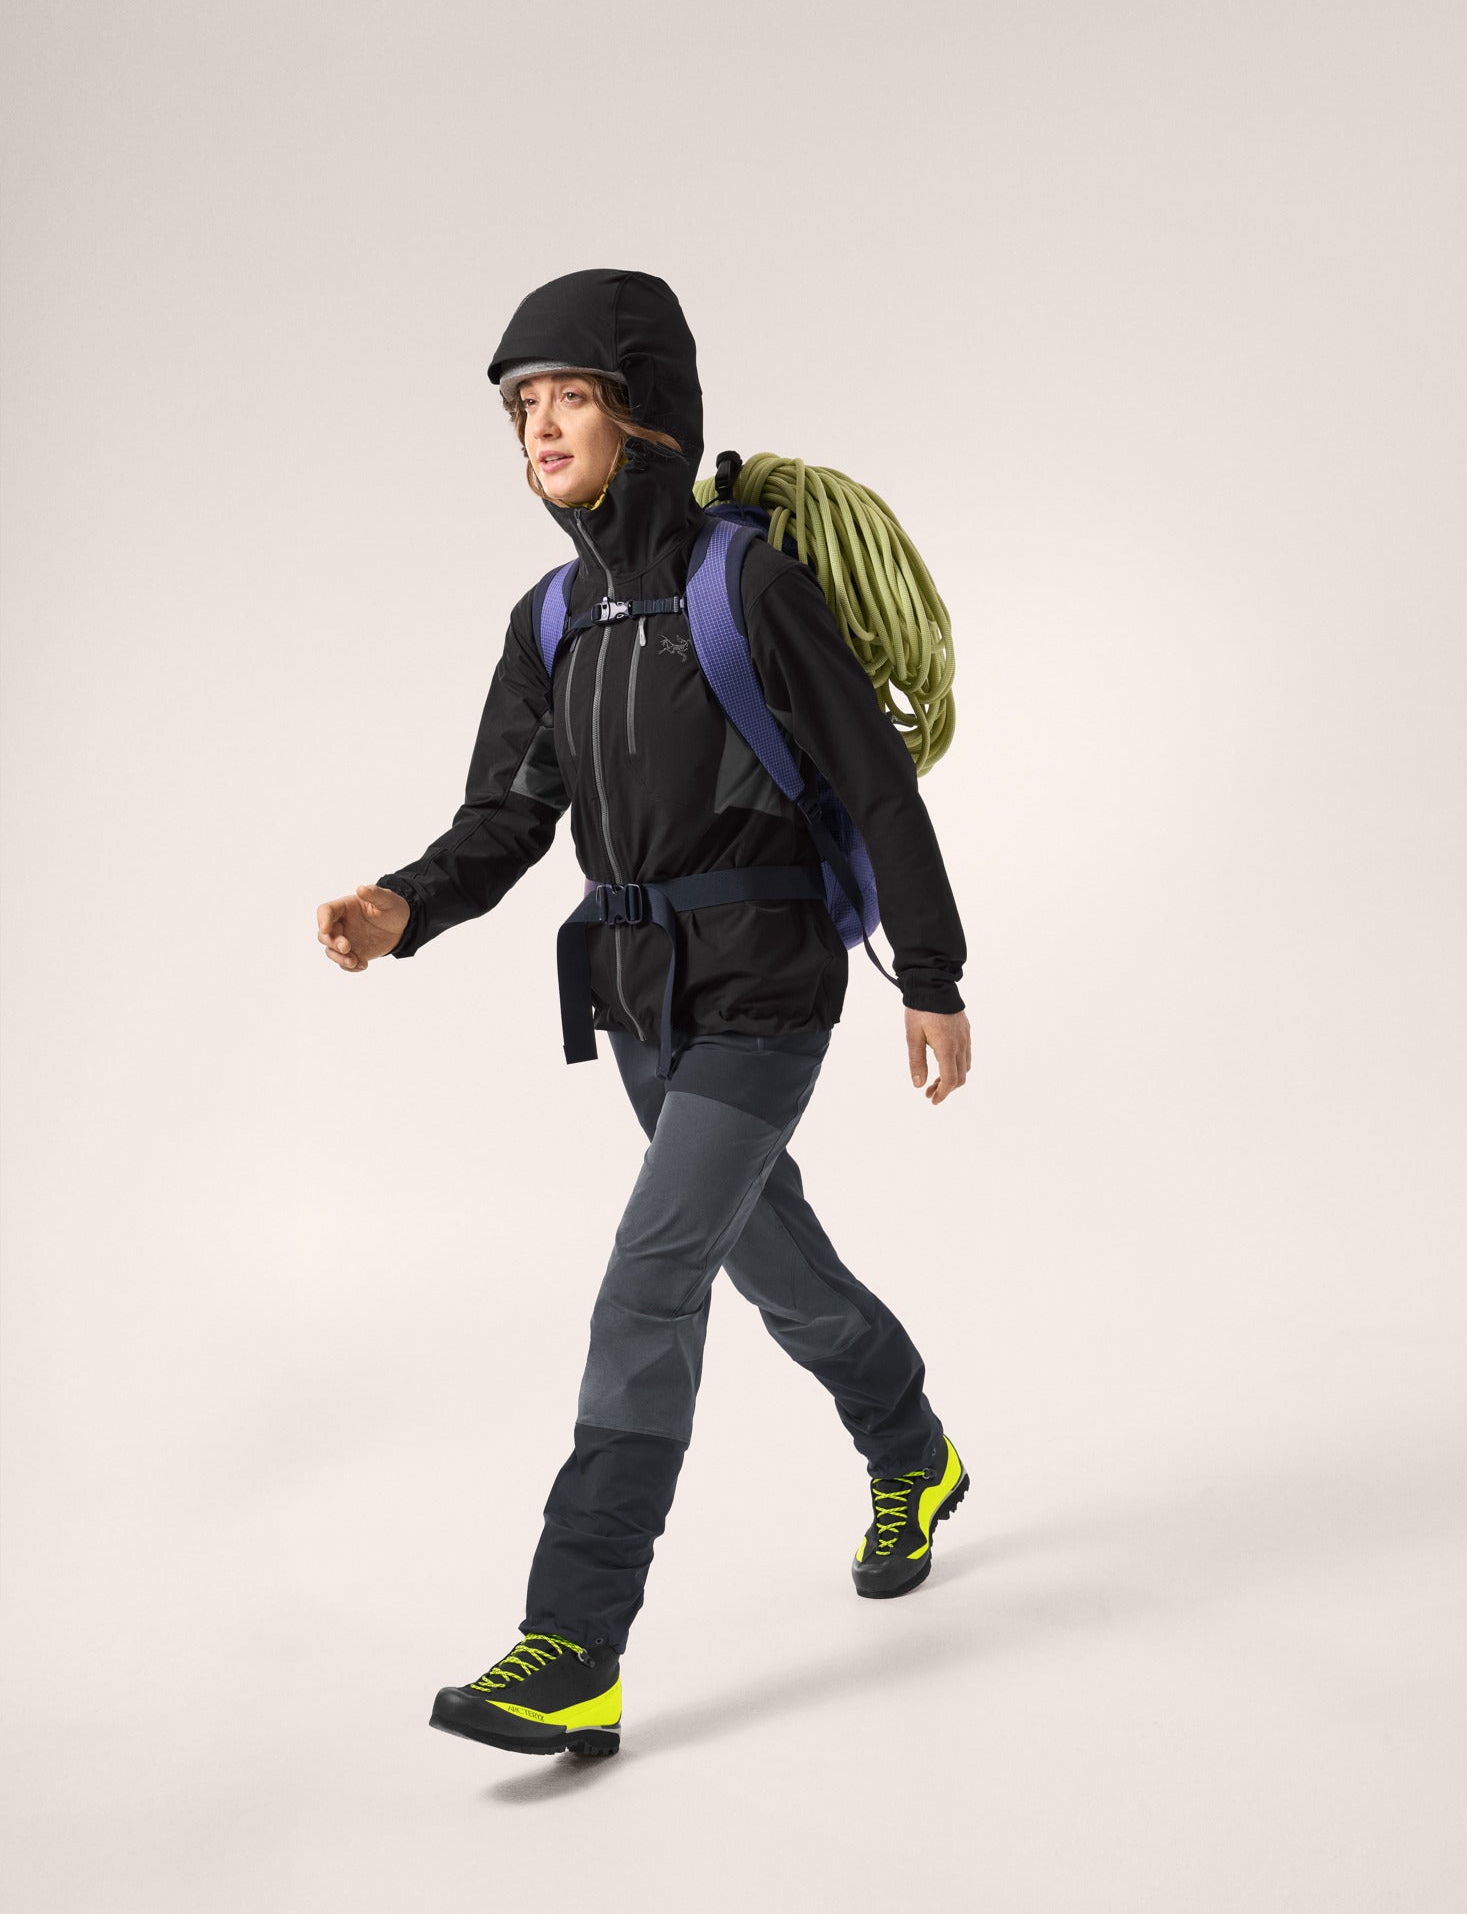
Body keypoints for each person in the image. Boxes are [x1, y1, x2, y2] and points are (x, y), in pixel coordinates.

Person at [315, 268, 973, 1760]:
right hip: (636, 1000)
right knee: (772, 1264)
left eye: (571, 395)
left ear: (646, 413)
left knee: (649, 1284)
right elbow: (508, 814)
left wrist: (930, 977)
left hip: (769, 988)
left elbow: (875, 784)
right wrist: (403, 904)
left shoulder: (752, 585)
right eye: (521, 405)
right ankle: (913, 1449)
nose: (540, 426)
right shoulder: (550, 616)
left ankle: (575, 1644)